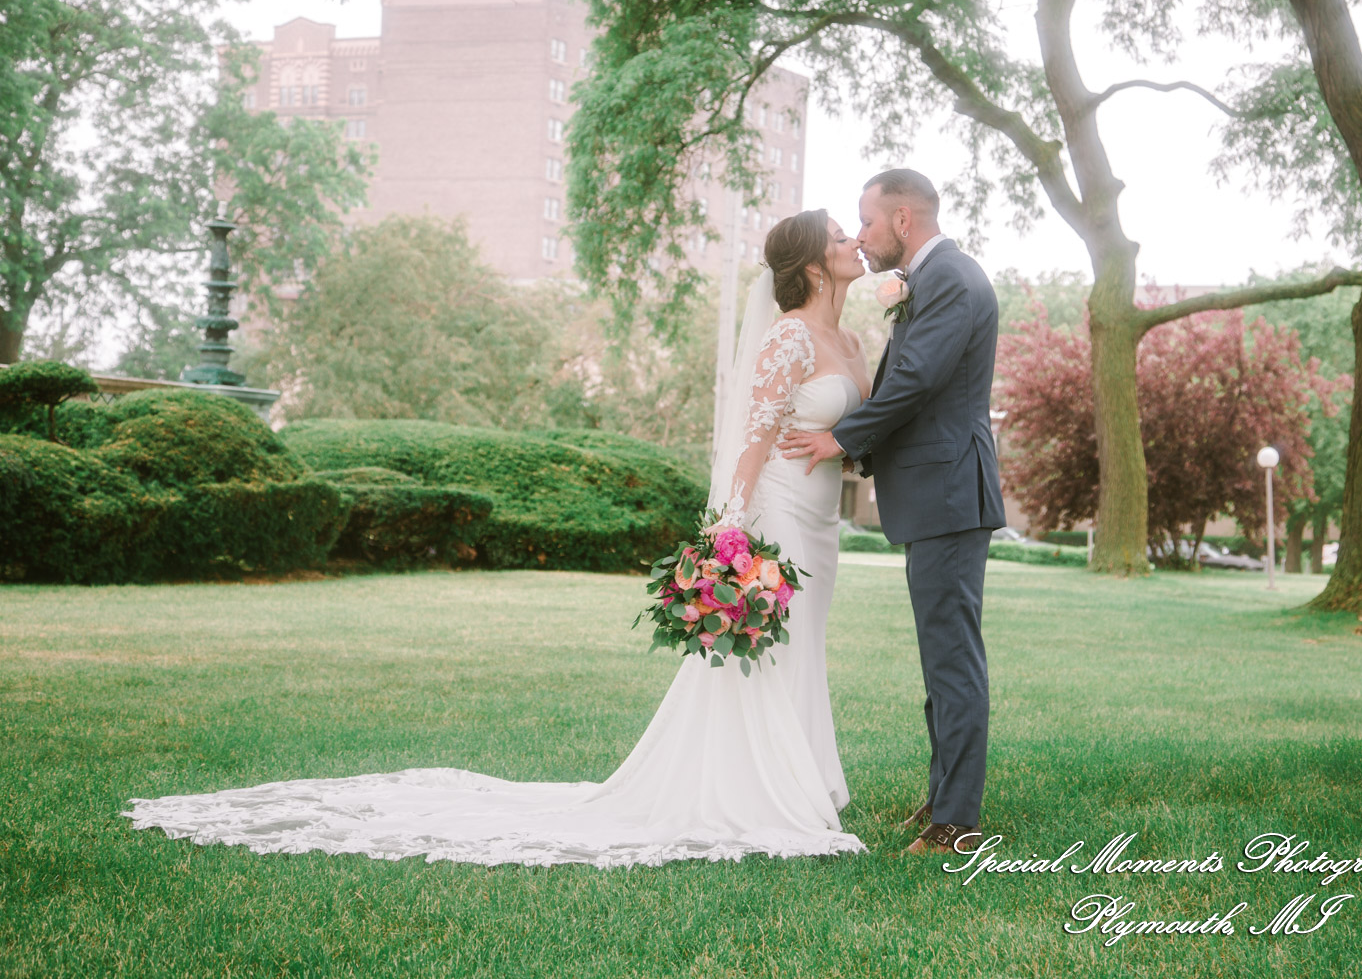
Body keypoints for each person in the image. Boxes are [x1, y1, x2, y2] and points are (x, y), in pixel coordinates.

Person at [122, 210, 871, 870]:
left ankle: (803, 773)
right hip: (773, 512)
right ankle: (765, 786)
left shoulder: (846, 335)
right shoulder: (787, 337)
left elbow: (862, 426)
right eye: (839, 235)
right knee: (769, 646)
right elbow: (753, 435)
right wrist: (730, 532)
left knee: (804, 642)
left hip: (821, 518)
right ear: (811, 263)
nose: (851, 242)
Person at [781, 169, 1004, 856]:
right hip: (937, 492)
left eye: (868, 221)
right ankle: (943, 796)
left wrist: (842, 437)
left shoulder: (951, 280)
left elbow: (915, 379)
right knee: (941, 655)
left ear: (904, 218)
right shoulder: (935, 278)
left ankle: (956, 822)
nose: (862, 235)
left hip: (948, 493)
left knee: (951, 658)